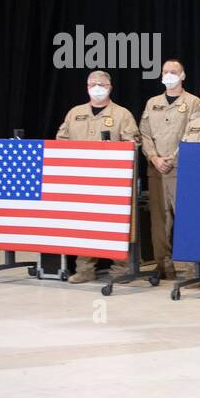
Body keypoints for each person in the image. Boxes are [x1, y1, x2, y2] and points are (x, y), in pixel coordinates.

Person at [58, 70, 140, 284]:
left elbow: (134, 144)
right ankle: (84, 269)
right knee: (84, 224)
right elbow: (61, 140)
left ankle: (121, 269)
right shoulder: (74, 113)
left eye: (101, 84)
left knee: (116, 224)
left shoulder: (122, 115)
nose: (97, 87)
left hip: (113, 183)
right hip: (82, 181)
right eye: (93, 84)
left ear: (110, 87)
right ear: (86, 87)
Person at [139, 59, 200, 280]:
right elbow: (144, 133)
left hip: (182, 169)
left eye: (174, 72)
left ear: (183, 76)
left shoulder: (194, 102)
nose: (169, 75)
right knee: (159, 220)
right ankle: (163, 265)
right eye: (165, 72)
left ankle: (193, 267)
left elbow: (193, 133)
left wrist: (173, 158)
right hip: (156, 170)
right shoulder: (152, 102)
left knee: (187, 217)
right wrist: (154, 157)